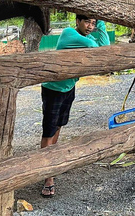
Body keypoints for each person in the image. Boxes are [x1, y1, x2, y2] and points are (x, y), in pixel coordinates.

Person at [40, 14, 110, 197]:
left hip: (68, 87)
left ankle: (51, 162)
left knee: (58, 127)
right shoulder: (69, 33)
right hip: (53, 89)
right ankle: (47, 175)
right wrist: (94, 33)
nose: (90, 26)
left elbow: (105, 47)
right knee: (48, 131)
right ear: (77, 21)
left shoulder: (85, 37)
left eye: (93, 23)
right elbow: (96, 47)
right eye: (87, 21)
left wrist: (101, 21)